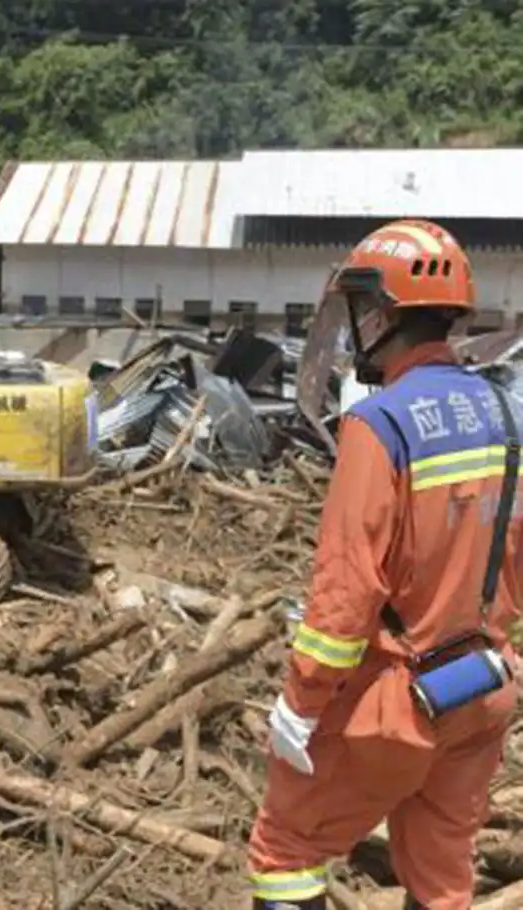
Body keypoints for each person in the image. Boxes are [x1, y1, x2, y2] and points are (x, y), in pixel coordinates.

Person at [248, 219, 522, 910]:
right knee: (440, 877)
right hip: (483, 691)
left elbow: (346, 591)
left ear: (381, 314)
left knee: (285, 853)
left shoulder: (380, 425)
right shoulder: (507, 416)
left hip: (396, 700)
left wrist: (302, 702)